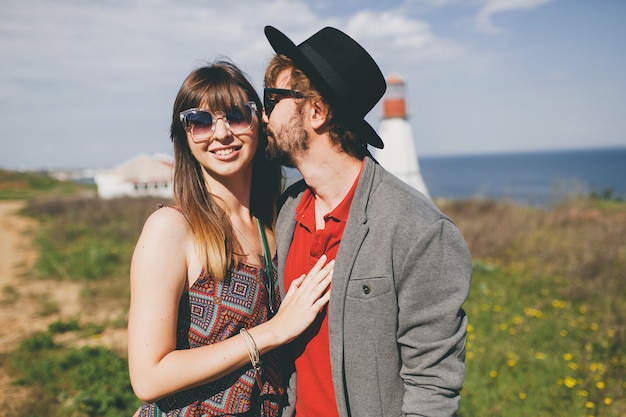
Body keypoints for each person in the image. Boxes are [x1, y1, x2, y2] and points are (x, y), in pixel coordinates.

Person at [262, 26, 473, 417]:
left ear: (317, 111)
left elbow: (432, 389)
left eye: (273, 98)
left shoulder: (418, 229)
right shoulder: (289, 209)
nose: (264, 113)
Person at [127, 60, 334, 417]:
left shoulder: (274, 229)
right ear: (186, 136)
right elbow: (148, 377)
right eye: (200, 121)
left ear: (260, 123)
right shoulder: (172, 229)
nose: (221, 134)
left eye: (236, 115)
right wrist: (272, 332)